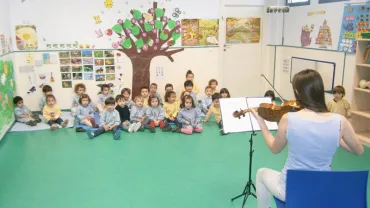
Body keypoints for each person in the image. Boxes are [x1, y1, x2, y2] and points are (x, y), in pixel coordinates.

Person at [250, 69, 364, 208]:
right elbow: (359, 151)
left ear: (297, 92)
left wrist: (261, 122)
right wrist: (336, 138)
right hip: (323, 189)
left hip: (291, 189)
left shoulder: (288, 119)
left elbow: (274, 148)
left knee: (261, 173)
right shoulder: (341, 121)